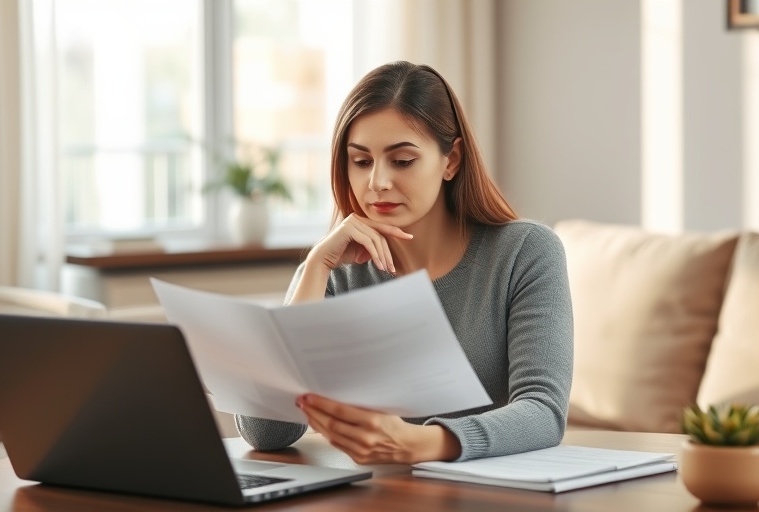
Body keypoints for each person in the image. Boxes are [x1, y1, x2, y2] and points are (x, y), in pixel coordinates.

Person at [235, 61, 573, 465]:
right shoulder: (335, 269)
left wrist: (419, 443)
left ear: (451, 160)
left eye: (402, 160)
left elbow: (543, 412)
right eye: (361, 161)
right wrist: (313, 269)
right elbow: (265, 432)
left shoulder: (526, 253)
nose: (377, 182)